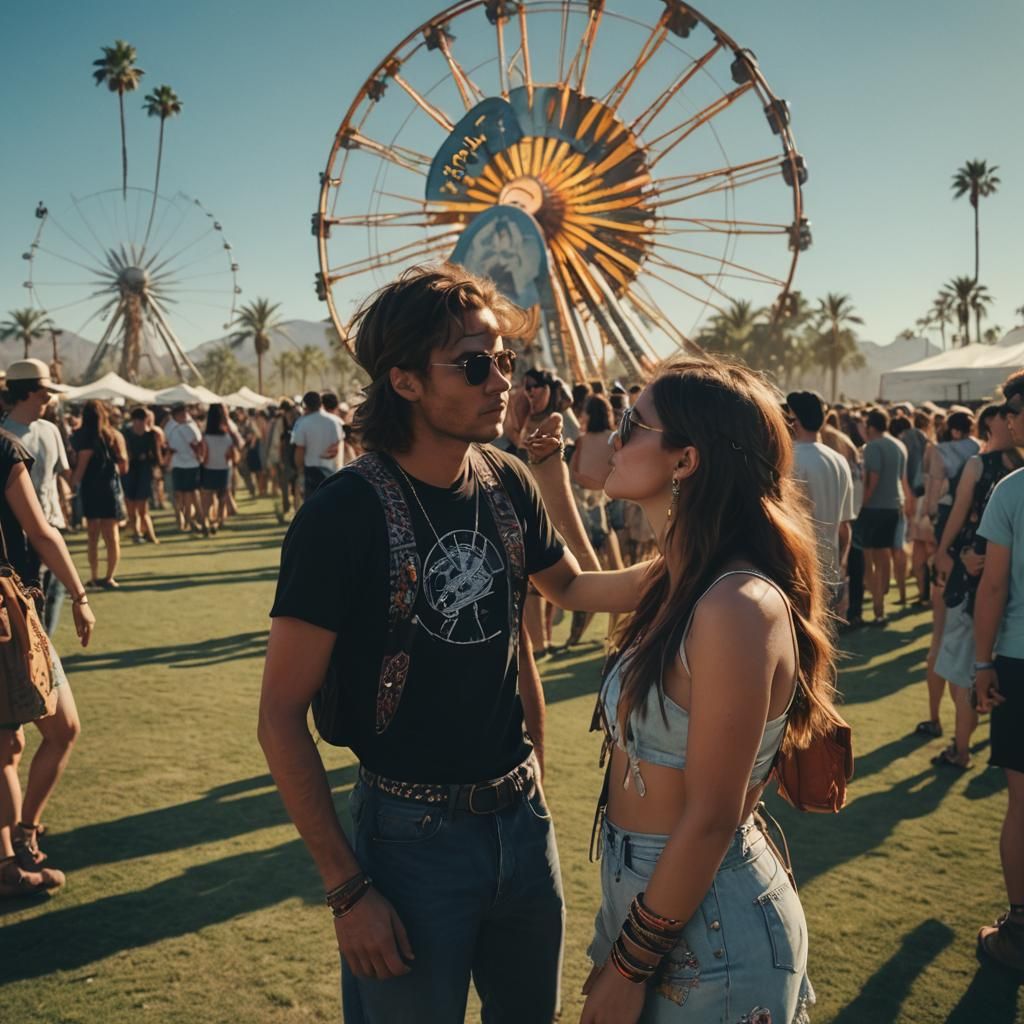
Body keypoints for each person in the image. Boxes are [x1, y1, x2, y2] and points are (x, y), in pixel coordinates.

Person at [259, 265, 572, 1023]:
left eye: (505, 360)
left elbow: (553, 605)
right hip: (408, 840)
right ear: (402, 381)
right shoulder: (342, 514)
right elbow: (279, 718)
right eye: (475, 363)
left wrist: (720, 546)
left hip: (523, 826)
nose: (500, 380)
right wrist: (346, 887)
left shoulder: (506, 478)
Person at [532, 358, 829, 1024]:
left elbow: (712, 815)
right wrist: (545, 462)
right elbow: (572, 586)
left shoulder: (735, 605)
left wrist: (630, 963)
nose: (614, 437)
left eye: (634, 425)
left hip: (705, 921)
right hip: (655, 899)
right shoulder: (683, 575)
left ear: (685, 459)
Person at [0, 425, 95, 896]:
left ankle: (14, 851)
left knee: (6, 747)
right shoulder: (3, 448)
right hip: (8, 616)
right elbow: (39, 530)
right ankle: (20, 842)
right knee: (61, 728)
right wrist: (79, 594)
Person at [932, 400, 1023, 769]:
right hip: (989, 585)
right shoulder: (1008, 471)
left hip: (978, 583)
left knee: (962, 666)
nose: (1011, 423)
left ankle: (962, 746)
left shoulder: (1000, 475)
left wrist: (944, 552)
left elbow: (958, 512)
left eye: (1013, 413)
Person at [973, 369, 1024, 973]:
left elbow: (994, 585)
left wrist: (981, 662)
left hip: (1017, 655)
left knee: (1022, 802)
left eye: (1014, 412)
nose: (1007, 421)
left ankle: (1019, 929)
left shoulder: (1012, 489)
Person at [0, 359, 72, 632]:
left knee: (55, 595)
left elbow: (59, 476)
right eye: (45, 391)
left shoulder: (50, 430)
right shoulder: (5, 440)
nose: (49, 398)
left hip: (52, 528)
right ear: (29, 392)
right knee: (29, 604)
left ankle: (46, 648)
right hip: (20, 538)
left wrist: (63, 510)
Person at [788, 391, 855, 614]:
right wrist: (841, 564)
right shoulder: (839, 460)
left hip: (800, 566)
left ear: (794, 421)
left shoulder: (791, 460)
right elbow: (845, 526)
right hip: (831, 564)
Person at [855, 408, 911, 625]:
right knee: (885, 555)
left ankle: (878, 609)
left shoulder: (873, 447)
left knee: (871, 561)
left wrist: (863, 504)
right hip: (894, 505)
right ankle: (883, 601)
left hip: (875, 508)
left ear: (870, 427)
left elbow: (873, 478)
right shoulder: (899, 444)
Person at [70, 400, 128, 589]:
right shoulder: (114, 435)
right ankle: (110, 577)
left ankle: (94, 576)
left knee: (93, 536)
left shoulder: (81, 436)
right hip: (109, 488)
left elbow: (80, 468)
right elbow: (124, 465)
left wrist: (71, 485)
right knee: (112, 536)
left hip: (90, 489)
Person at [290, 390, 344, 500]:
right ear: (321, 403)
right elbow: (338, 447)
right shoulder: (335, 421)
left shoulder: (303, 422)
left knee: (313, 507)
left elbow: (300, 451)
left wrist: (300, 470)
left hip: (311, 472)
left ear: (305, 405)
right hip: (333, 472)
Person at [122, 406, 161, 544]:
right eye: (137, 420)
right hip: (129, 472)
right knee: (131, 507)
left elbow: (157, 457)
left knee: (142, 507)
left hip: (144, 472)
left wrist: (156, 469)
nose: (139, 423)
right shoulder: (126, 434)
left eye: (142, 420)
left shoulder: (151, 435)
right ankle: (137, 533)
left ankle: (149, 534)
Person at [163, 402, 204, 532]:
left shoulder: (191, 426)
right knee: (179, 494)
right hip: (176, 465)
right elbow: (166, 444)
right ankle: (182, 520)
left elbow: (198, 442)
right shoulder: (169, 427)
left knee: (191, 493)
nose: (183, 415)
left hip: (192, 464)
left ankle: (193, 519)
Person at [199, 403, 237, 535]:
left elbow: (204, 456)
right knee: (222, 498)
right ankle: (218, 521)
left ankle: (205, 521)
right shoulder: (227, 437)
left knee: (207, 498)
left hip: (209, 468)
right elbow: (231, 455)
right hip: (224, 469)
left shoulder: (206, 437)